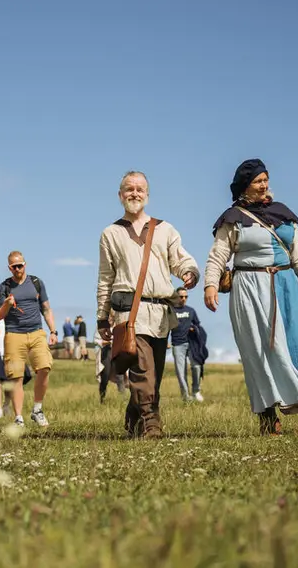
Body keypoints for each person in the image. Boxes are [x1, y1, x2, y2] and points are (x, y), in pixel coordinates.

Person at [203, 158, 298, 436]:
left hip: (285, 284)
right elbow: (218, 255)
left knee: (296, 347)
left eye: (266, 179)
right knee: (259, 352)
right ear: (245, 186)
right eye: (258, 180)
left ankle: (292, 399)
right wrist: (210, 285)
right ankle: (268, 416)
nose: (264, 184)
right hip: (249, 287)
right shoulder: (233, 219)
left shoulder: (282, 214)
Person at [96, 170, 199, 439]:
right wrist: (101, 317)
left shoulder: (165, 229)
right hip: (129, 312)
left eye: (140, 189)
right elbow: (105, 278)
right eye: (129, 189)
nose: (135, 193)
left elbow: (180, 259)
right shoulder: (110, 233)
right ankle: (152, 424)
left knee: (155, 374)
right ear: (120, 196)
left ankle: (134, 416)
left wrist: (189, 272)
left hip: (161, 312)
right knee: (142, 370)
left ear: (148, 195)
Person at [0, 250, 58, 428]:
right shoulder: (4, 286)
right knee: (17, 377)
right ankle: (18, 417)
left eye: (20, 265)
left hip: (37, 332)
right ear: (9, 268)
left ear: (25, 264)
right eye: (14, 267)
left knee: (45, 367)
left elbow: (46, 308)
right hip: (14, 334)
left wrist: (53, 331)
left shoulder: (36, 283)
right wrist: (6, 304)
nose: (17, 269)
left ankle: (37, 409)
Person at [170, 287, 204, 402]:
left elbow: (198, 325)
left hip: (191, 343)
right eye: (181, 296)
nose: (184, 299)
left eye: (186, 296)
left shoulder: (191, 311)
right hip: (177, 344)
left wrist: (194, 329)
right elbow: (165, 327)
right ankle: (186, 396)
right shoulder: (171, 311)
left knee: (196, 366)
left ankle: (196, 391)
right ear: (176, 297)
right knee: (181, 372)